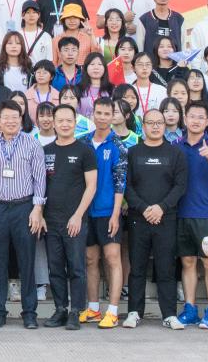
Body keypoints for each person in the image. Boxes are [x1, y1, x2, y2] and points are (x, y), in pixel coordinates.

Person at [0, 102, 45, 329]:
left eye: (14, 117)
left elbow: (40, 178)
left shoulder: (32, 143)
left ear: (21, 119)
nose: (10, 121)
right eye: (5, 117)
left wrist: (37, 209)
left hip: (24, 207)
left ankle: (29, 313)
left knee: (26, 260)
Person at [124, 108, 188, 329]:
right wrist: (144, 208)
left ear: (165, 125)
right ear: (143, 126)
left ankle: (169, 314)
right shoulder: (133, 152)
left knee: (166, 268)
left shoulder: (175, 153)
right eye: (150, 122)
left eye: (159, 122)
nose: (155, 126)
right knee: (137, 267)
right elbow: (127, 186)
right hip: (138, 218)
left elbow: (180, 186)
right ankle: (134, 312)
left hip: (166, 218)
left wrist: (162, 207)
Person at [40, 104, 97, 330]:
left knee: (76, 268)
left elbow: (91, 186)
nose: (64, 124)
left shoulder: (85, 151)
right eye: (60, 120)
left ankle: (76, 311)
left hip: (75, 220)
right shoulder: (45, 151)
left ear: (75, 123)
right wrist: (40, 214)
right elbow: (40, 185)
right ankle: (61, 309)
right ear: (53, 123)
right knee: (55, 268)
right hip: (50, 220)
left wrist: (78, 215)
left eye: (69, 120)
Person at [174, 101, 208, 329]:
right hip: (180, 212)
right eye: (192, 116)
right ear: (185, 119)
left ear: (207, 122)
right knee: (187, 261)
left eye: (200, 117)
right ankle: (190, 308)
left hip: (206, 212)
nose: (195, 121)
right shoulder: (175, 144)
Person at [78, 98, 127, 328]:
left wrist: (116, 214)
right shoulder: (83, 142)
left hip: (108, 211)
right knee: (90, 259)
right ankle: (94, 308)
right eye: (99, 113)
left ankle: (113, 311)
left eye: (107, 113)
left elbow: (120, 182)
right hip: (86, 211)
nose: (103, 117)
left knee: (112, 258)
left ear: (113, 116)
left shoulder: (118, 145)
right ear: (92, 114)